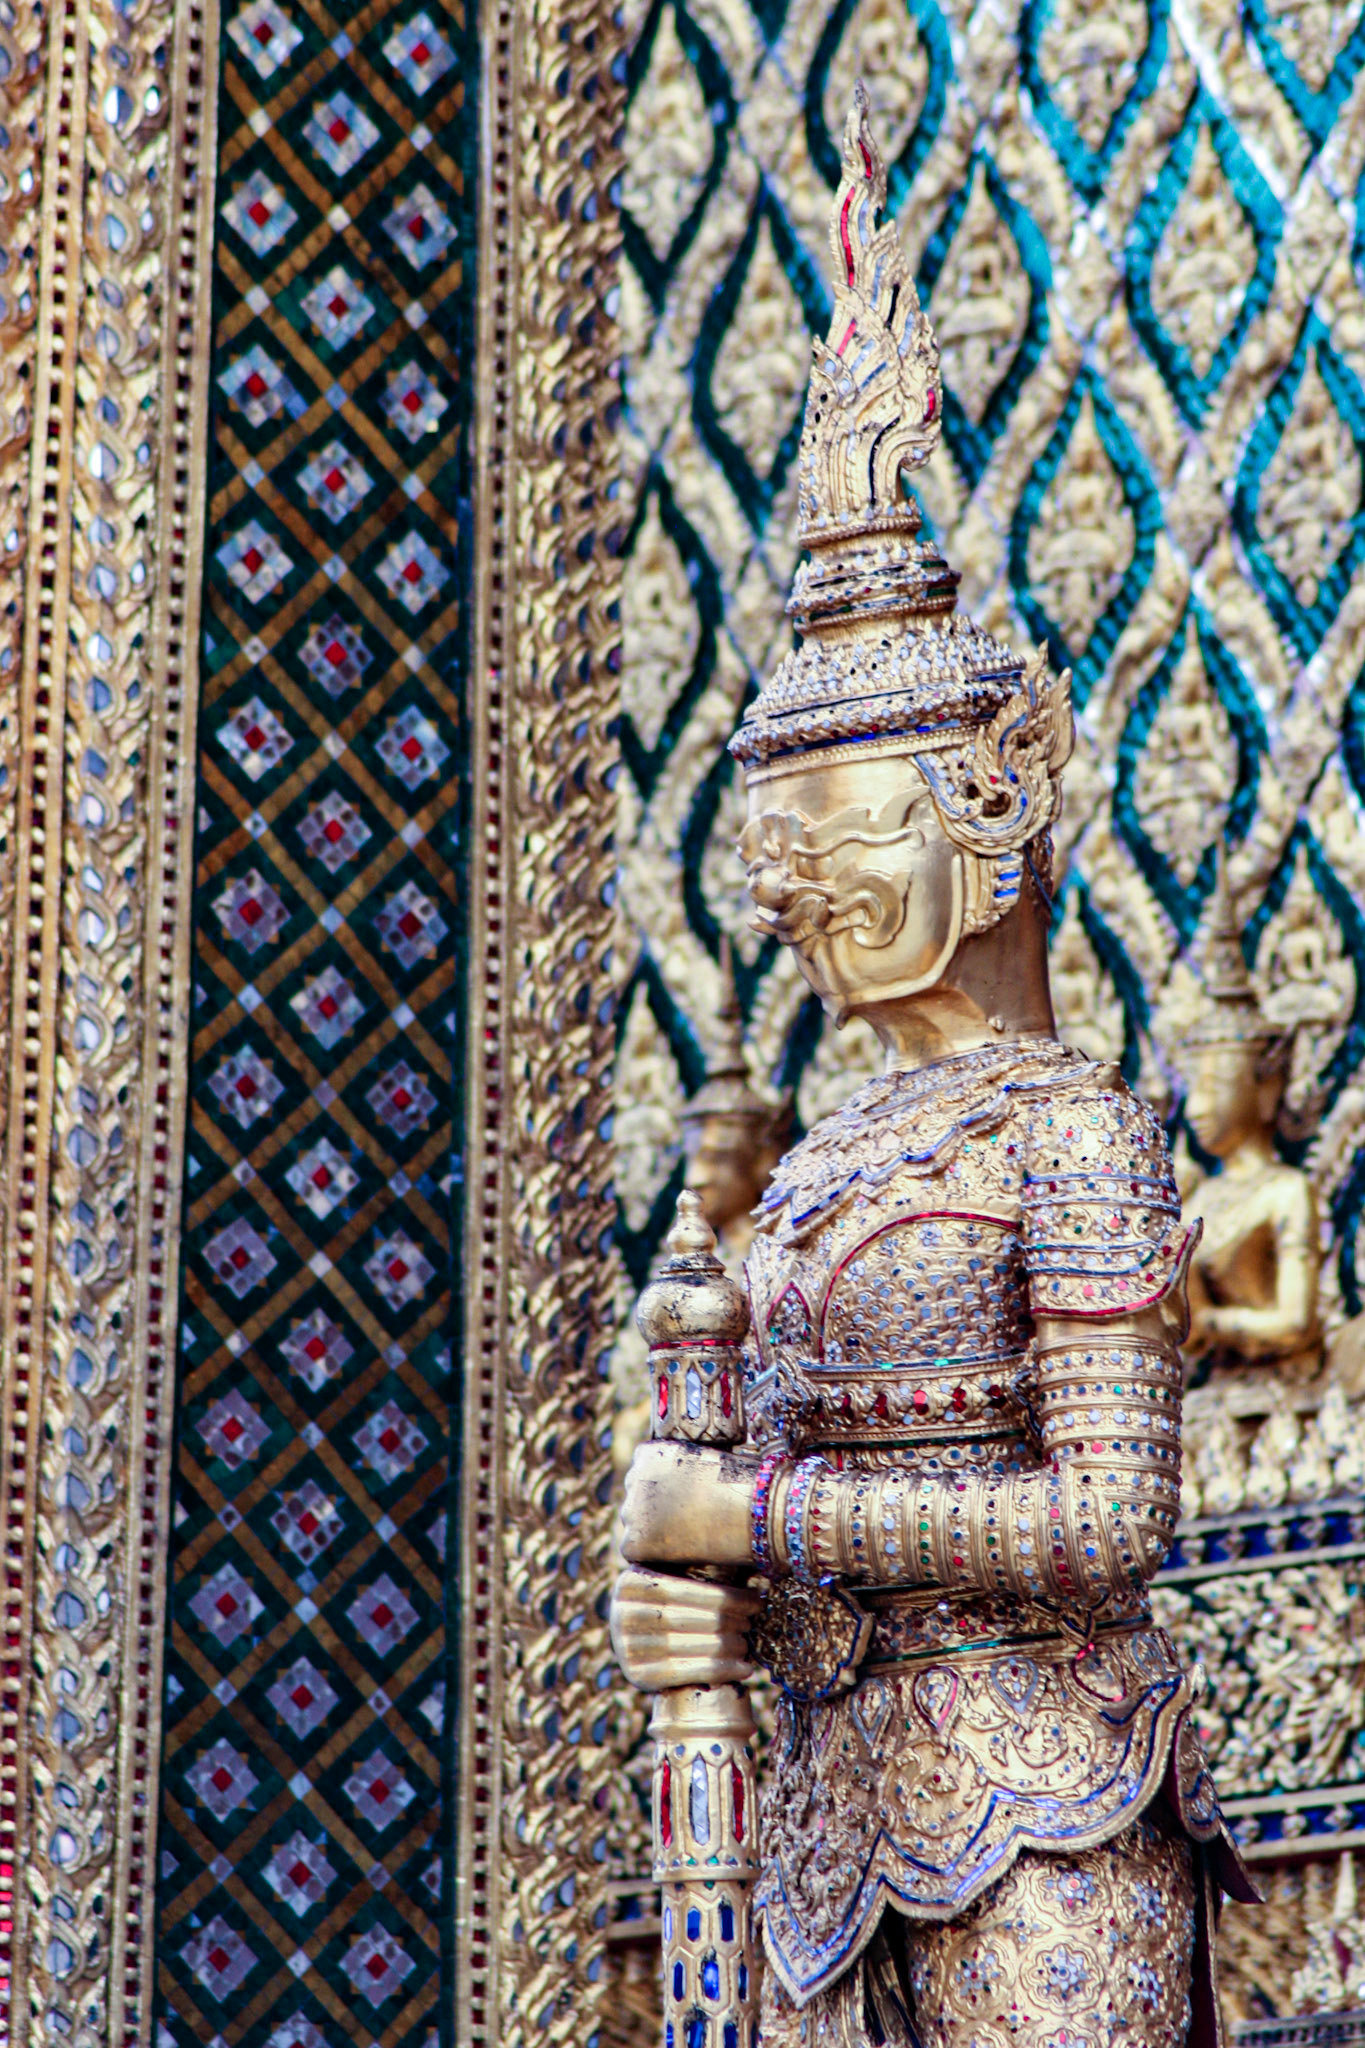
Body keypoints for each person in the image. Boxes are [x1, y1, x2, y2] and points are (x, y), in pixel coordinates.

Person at [611, 85, 1254, 2048]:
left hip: (1045, 1791)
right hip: (808, 1832)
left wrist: (762, 1530)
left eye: (853, 822)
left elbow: (1104, 1518)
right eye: (780, 845)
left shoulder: (1075, 1132)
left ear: (985, 812)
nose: (803, 888)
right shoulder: (811, 1159)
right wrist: (693, 1594)